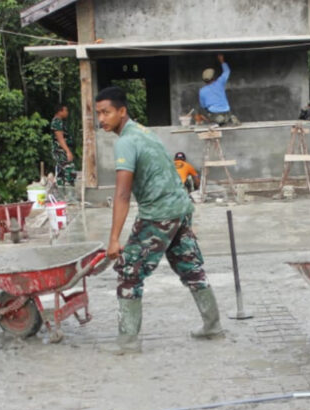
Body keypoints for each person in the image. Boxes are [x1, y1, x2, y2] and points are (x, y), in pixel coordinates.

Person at [95, 86, 223, 353]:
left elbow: (122, 194)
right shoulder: (144, 132)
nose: (102, 119)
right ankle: (212, 326)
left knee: (129, 273)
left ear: (122, 111)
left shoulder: (126, 142)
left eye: (106, 113)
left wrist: (114, 240)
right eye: (98, 114)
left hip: (159, 214)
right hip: (179, 207)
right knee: (191, 268)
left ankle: (128, 343)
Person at [199, 54, 240, 127]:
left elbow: (203, 106)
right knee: (225, 115)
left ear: (204, 80)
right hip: (227, 111)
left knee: (204, 113)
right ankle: (228, 118)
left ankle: (218, 122)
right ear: (213, 77)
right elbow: (227, 71)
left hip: (214, 114)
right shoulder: (220, 82)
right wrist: (222, 61)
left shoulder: (202, 91)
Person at [51, 104, 78, 202]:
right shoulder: (57, 122)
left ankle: (61, 198)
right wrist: (68, 151)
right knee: (69, 170)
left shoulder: (59, 121)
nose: (67, 113)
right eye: (66, 110)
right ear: (60, 111)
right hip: (61, 151)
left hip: (61, 150)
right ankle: (70, 197)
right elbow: (60, 138)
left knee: (61, 173)